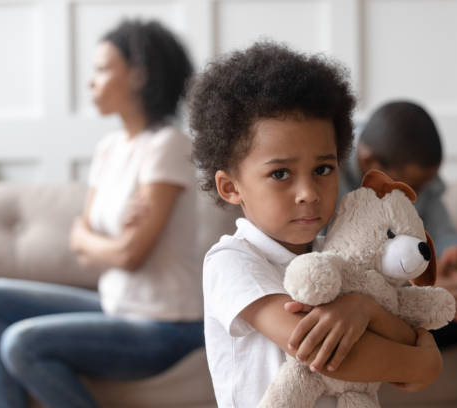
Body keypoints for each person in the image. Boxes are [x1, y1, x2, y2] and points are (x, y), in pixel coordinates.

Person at [189, 42, 443, 408]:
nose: (308, 192)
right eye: (280, 173)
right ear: (231, 187)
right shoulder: (232, 261)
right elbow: (326, 357)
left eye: (323, 169)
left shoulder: (339, 257)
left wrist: (364, 310)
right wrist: (417, 358)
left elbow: (424, 367)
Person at [0, 19, 203, 408]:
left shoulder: (168, 145)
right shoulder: (109, 149)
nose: (91, 81)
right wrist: (102, 241)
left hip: (166, 325)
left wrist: (100, 243)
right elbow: (79, 240)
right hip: (117, 307)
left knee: (21, 343)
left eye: (102, 69)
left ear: (139, 75)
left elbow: (130, 254)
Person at [341, 100, 457, 408]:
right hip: (357, 312)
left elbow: (445, 233)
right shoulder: (326, 173)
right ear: (368, 160)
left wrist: (454, 260)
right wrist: (421, 288)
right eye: (414, 186)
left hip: (408, 305)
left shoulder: (418, 178)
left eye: (426, 185)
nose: (421, 194)